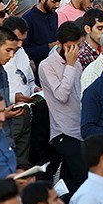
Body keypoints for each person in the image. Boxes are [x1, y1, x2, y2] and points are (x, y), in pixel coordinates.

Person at [39, 21, 86, 192]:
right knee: (82, 177)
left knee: (69, 181)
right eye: (71, 46)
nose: (75, 51)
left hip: (80, 126)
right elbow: (62, 95)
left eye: (78, 46)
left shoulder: (77, 63)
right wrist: (70, 65)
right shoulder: (47, 65)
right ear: (59, 44)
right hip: (63, 131)